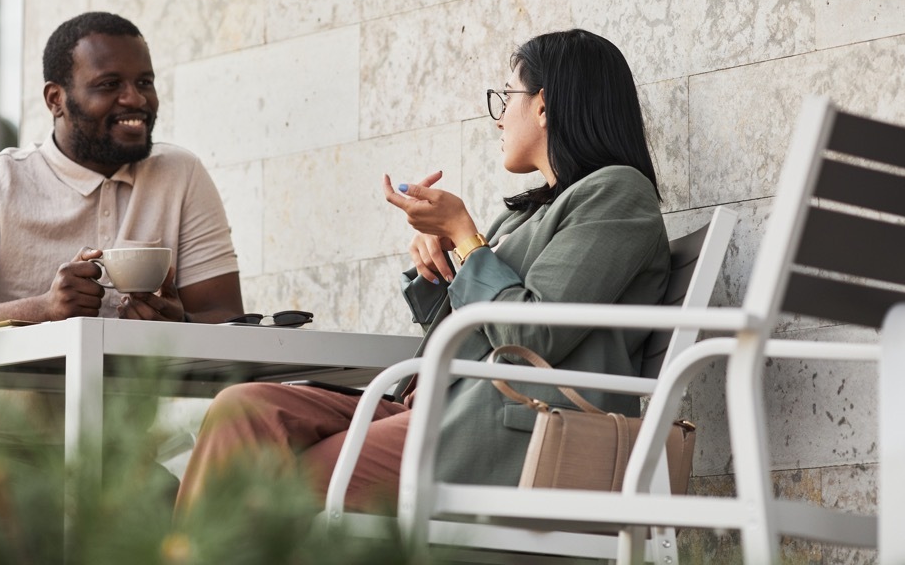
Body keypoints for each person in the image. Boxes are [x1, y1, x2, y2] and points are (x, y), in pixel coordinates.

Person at [174, 28, 669, 512]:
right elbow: (474, 327)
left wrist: (466, 238)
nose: (498, 119)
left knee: (272, 485)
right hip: (435, 406)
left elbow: (529, 336)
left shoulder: (617, 193)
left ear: (543, 105)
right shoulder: (526, 212)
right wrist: (443, 263)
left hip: (514, 429)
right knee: (244, 409)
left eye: (507, 97)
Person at [0, 11, 243, 557]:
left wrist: (175, 323)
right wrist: (42, 309)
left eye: (145, 82)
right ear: (55, 99)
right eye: (110, 85)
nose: (136, 99)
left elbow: (225, 317)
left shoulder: (180, 176)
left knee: (212, 544)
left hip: (124, 456)